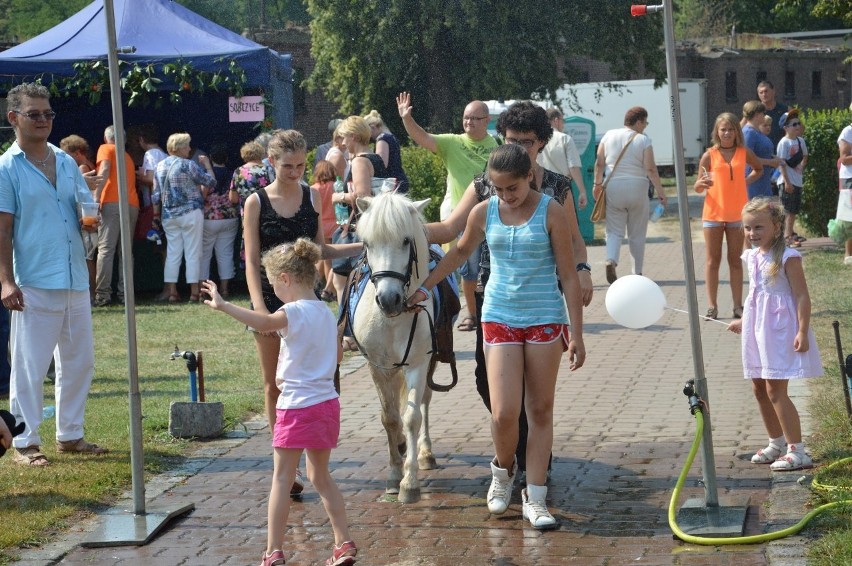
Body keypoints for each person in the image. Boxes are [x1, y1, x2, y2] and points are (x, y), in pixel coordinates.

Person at [407, 144, 585, 529]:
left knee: (539, 410)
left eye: (513, 188)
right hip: (500, 315)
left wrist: (579, 333)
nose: (506, 196)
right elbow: (458, 253)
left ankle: (534, 496)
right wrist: (425, 287)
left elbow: (569, 276)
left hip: (544, 317)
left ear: (528, 177)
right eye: (499, 189)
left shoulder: (550, 210)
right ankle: (502, 473)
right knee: (504, 412)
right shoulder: (483, 211)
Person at [201, 239, 357, 566]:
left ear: (285, 279)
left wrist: (224, 305)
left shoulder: (291, 311)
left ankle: (273, 552)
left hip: (295, 407)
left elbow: (264, 324)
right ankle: (343, 543)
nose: (274, 292)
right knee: (321, 477)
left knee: (282, 479)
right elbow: (338, 356)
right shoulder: (326, 315)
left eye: (274, 286)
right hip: (326, 405)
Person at [243, 130, 360, 495]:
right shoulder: (256, 202)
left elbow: (320, 251)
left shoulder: (311, 195)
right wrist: (261, 308)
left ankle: (316, 457)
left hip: (307, 300)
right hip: (270, 295)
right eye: (287, 166)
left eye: (300, 165)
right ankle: (284, 462)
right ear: (271, 162)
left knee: (321, 375)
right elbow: (250, 260)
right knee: (274, 382)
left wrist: (363, 244)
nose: (295, 172)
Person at [0, 82, 107, 466]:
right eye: (34, 114)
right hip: (33, 278)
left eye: (48, 113)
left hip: (74, 273)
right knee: (29, 364)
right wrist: (6, 280)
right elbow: (3, 229)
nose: (43, 119)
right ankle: (25, 442)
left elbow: (83, 205)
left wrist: (88, 217)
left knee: (80, 360)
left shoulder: (63, 159)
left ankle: (71, 435)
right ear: (14, 118)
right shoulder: (6, 167)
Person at [727, 197, 822, 471]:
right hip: (757, 327)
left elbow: (802, 295)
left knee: (776, 389)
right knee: (758, 387)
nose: (752, 234)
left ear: (777, 226)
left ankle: (798, 450)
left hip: (779, 330)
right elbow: (756, 293)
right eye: (747, 228)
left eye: (759, 227)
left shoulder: (788, 257)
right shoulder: (752, 256)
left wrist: (802, 330)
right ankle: (776, 442)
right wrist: (744, 319)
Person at [397, 92, 498, 331]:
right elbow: (423, 138)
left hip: (495, 216)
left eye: (475, 118)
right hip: (463, 216)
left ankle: (491, 313)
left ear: (487, 120)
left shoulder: (499, 146)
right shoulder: (453, 143)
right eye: (466, 118)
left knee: (494, 267)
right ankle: (472, 315)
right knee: (469, 268)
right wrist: (406, 119)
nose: (469, 122)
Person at [327, 116, 390, 348]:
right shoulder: (377, 157)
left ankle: (347, 333)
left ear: (353, 136)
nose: (341, 142)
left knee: (343, 283)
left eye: (343, 137)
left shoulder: (361, 161)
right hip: (375, 227)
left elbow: (362, 196)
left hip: (359, 228)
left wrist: (338, 196)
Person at [694, 113, 763, 320]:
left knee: (735, 260)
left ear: (736, 132)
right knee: (712, 261)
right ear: (717, 132)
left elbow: (758, 169)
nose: (726, 133)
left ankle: (737, 306)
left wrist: (745, 182)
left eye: (731, 129)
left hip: (737, 214)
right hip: (713, 214)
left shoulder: (744, 152)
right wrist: (701, 185)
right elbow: (697, 186)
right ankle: (712, 306)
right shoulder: (709, 155)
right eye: (723, 129)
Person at [593, 106, 667, 284]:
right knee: (637, 233)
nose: (645, 126)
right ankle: (637, 273)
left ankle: (611, 259)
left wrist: (596, 184)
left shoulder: (608, 135)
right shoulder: (643, 140)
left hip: (613, 186)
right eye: (645, 122)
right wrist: (661, 192)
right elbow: (650, 169)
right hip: (637, 186)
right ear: (639, 121)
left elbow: (599, 162)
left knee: (614, 230)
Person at [152, 132, 216, 302]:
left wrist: (156, 214)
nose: (189, 148)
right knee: (193, 253)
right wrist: (208, 166)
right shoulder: (188, 165)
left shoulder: (159, 166)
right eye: (187, 145)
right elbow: (210, 182)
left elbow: (155, 195)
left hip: (168, 215)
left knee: (173, 253)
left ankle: (172, 292)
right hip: (190, 212)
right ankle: (194, 292)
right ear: (179, 147)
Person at [94, 124, 139, 306]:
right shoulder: (127, 156)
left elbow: (104, 170)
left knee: (105, 249)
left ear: (106, 138)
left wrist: (95, 198)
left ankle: (103, 295)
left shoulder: (105, 149)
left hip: (112, 202)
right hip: (132, 204)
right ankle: (125, 294)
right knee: (125, 252)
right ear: (125, 140)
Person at [60, 134, 99, 300]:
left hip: (85, 217)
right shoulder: (86, 165)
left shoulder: (81, 168)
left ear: (77, 153)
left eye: (67, 154)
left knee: (88, 256)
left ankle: (90, 293)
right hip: (88, 217)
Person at [200, 145, 239, 298]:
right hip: (230, 217)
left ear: (211, 158)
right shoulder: (233, 174)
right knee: (226, 254)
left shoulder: (207, 175)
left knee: (205, 255)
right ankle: (224, 289)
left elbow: (202, 194)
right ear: (227, 159)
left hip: (209, 218)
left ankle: (204, 290)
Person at [537, 107, 588, 209]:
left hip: (540, 186)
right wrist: (582, 191)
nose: (563, 124)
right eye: (563, 120)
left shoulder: (538, 139)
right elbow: (573, 167)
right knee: (565, 223)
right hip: (562, 187)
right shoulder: (565, 139)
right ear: (556, 120)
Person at [775, 110, 809, 248]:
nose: (797, 126)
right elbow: (781, 163)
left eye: (798, 123)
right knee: (787, 210)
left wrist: (801, 166)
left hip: (797, 180)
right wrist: (787, 182)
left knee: (794, 210)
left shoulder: (800, 141)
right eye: (793, 124)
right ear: (786, 127)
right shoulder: (784, 143)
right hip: (786, 182)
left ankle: (789, 234)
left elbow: (805, 155)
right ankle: (786, 237)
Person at [741, 101, 784, 200]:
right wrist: (770, 162)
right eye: (763, 113)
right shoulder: (748, 133)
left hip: (763, 181)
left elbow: (762, 152)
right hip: (753, 183)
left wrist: (774, 158)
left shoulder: (757, 132)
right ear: (756, 114)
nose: (764, 115)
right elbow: (746, 158)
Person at [363, 109, 410, 193]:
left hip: (392, 183)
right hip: (398, 179)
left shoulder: (382, 139)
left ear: (373, 127)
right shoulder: (390, 137)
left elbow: (381, 164)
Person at [311, 160, 338, 301]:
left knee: (327, 260)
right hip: (336, 225)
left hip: (321, 226)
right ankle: (331, 289)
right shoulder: (337, 187)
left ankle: (328, 289)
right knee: (334, 260)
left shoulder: (313, 188)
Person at [836, 107, 852, 266]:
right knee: (849, 217)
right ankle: (848, 254)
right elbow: (845, 159)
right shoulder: (847, 132)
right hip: (850, 178)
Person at [757, 80, 788, 147]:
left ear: (773, 91)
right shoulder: (755, 112)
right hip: (763, 153)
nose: (764, 94)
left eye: (766, 91)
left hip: (782, 152)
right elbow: (740, 129)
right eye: (761, 92)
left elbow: (800, 129)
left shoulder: (786, 110)